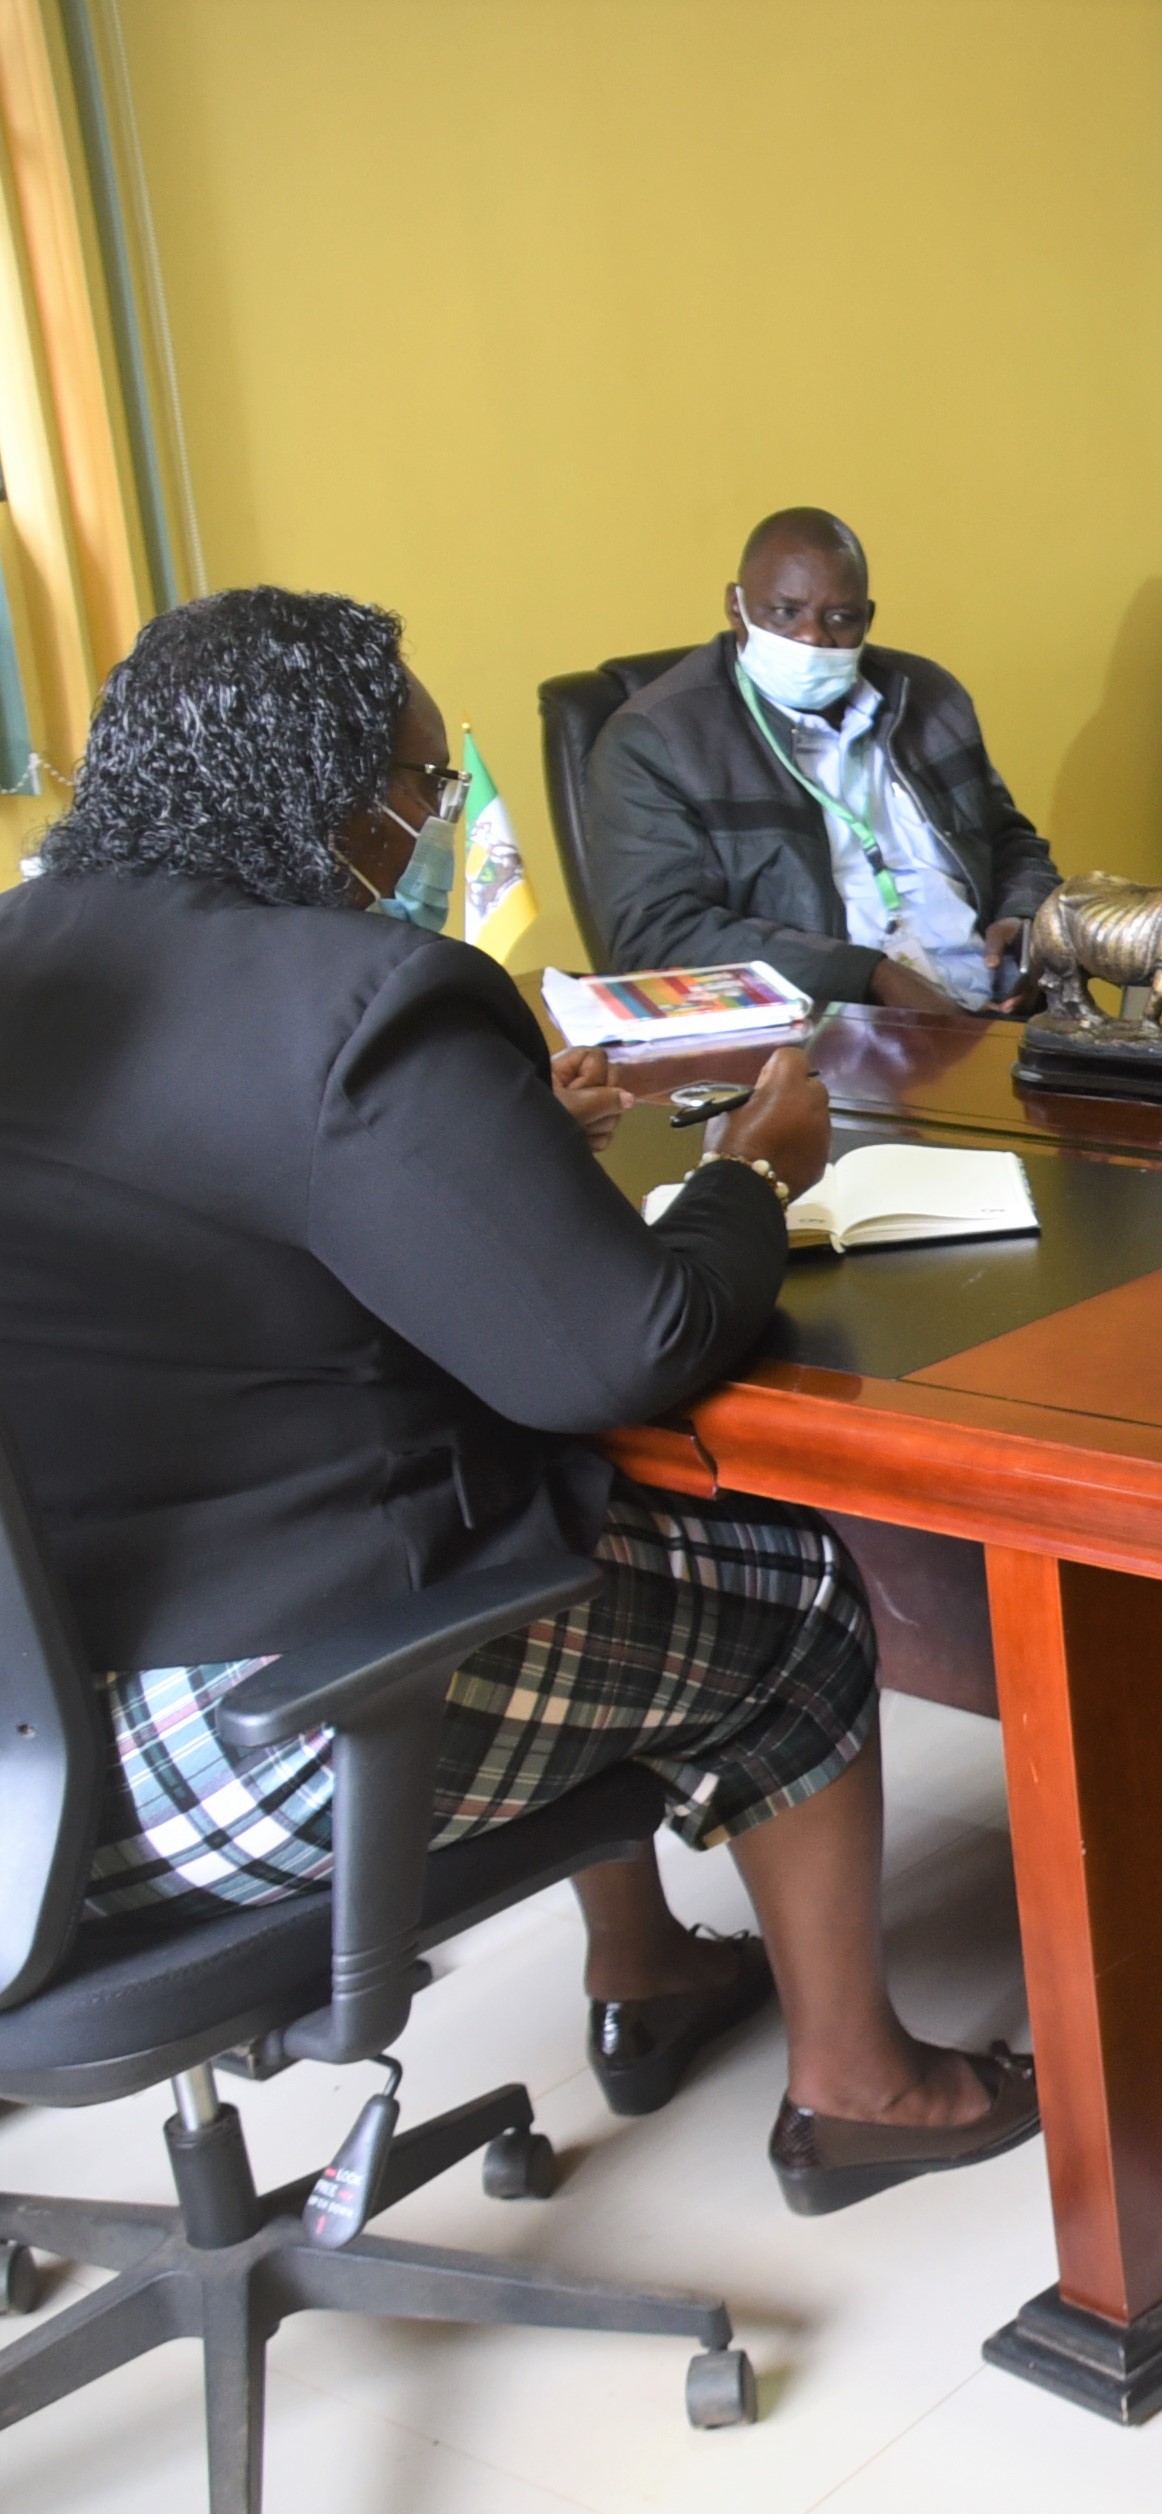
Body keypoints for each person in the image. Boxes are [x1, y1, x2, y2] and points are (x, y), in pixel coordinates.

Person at [0, 586, 1039, 2216]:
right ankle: (864, 2084)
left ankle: (649, 1966)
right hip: (260, 1732)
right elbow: (622, 1348)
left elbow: (216, 1243)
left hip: (35, 1745)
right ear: (330, 798)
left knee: (573, 1518)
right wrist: (747, 1176)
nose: (435, 823)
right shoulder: (353, 997)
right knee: (786, 1584)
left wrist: (500, 1143)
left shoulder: (28, 959)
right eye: (424, 786)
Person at [584, 507, 1058, 1015]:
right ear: (736, 608)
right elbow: (658, 932)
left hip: (998, 1011)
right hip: (830, 1025)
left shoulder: (929, 696)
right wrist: (868, 976)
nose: (811, 637)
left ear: (867, 619)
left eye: (839, 619)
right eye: (785, 613)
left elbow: (1009, 840)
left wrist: (1029, 921)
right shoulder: (657, 739)